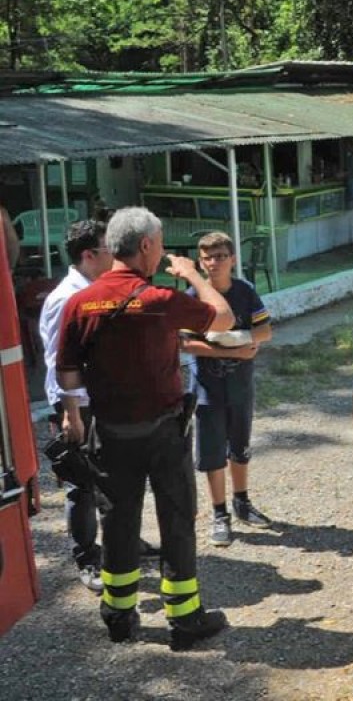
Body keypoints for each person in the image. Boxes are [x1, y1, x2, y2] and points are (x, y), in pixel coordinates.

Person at [56, 206, 235, 649]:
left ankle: (119, 616)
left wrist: (85, 401)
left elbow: (68, 375)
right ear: (147, 246)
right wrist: (194, 275)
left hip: (112, 433)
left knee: (117, 523)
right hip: (163, 432)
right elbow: (224, 318)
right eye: (158, 245)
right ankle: (184, 620)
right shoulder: (159, 301)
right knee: (175, 520)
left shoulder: (80, 302)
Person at [180, 231, 273, 547]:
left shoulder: (245, 291)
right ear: (200, 262)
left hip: (240, 384)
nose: (214, 262)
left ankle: (242, 501)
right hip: (207, 387)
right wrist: (230, 351)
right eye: (207, 257)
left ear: (233, 259)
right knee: (211, 452)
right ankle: (220, 514)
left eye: (220, 256)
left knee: (240, 444)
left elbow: (265, 329)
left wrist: (249, 340)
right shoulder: (193, 296)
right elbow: (187, 343)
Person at [38, 220, 114, 592]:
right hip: (76, 405)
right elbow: (56, 362)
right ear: (89, 255)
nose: (115, 255)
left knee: (110, 475)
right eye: (108, 249)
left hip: (100, 400)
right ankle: (87, 557)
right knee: (80, 485)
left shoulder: (96, 289)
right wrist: (70, 413)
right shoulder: (65, 298)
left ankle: (117, 541)